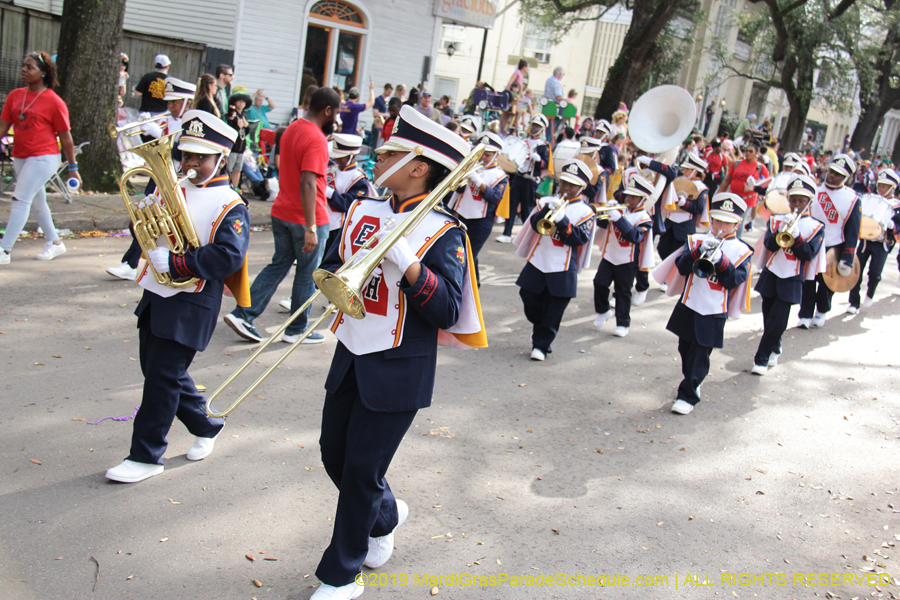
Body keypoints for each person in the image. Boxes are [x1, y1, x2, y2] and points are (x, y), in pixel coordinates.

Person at [310, 104, 485, 600]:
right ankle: (386, 514)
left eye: (389, 151)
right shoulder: (363, 209)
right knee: (334, 454)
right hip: (351, 351)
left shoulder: (444, 230)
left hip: (399, 365)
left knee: (362, 470)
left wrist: (407, 261)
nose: (377, 155)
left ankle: (342, 573)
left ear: (417, 167)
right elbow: (330, 267)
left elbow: (449, 309)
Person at [104, 110, 250, 483]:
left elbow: (229, 255)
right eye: (186, 154)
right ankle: (205, 425)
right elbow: (147, 233)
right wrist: (142, 219)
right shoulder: (172, 186)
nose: (190, 163)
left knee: (162, 378)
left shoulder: (230, 203)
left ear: (219, 157)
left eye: (200, 157)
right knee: (156, 370)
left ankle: (146, 455)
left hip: (192, 299)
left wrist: (178, 261)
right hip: (156, 291)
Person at [224, 87, 339, 345]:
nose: (336, 120)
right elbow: (308, 183)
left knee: (278, 265)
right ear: (327, 110)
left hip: (282, 211)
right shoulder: (317, 139)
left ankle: (244, 313)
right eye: (336, 114)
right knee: (307, 273)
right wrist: (311, 226)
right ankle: (296, 328)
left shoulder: (291, 129)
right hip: (307, 217)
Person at [652, 193, 753, 415]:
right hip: (689, 303)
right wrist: (697, 252)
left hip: (713, 310)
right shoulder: (696, 240)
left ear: (737, 223)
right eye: (717, 220)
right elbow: (680, 266)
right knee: (684, 348)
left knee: (700, 353)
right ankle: (693, 379)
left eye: (727, 222)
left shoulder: (742, 251)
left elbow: (735, 280)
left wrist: (723, 262)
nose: (720, 226)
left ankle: (688, 392)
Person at [107, 77, 197, 281]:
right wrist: (145, 133)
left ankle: (133, 264)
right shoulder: (165, 120)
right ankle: (136, 262)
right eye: (169, 102)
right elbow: (152, 148)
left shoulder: (192, 126)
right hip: (157, 176)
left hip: (178, 179)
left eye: (175, 102)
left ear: (187, 102)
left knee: (153, 224)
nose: (170, 106)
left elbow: (184, 156)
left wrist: (160, 135)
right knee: (139, 221)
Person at [0, 52, 81, 265]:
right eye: (23, 66)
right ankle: (55, 242)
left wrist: (73, 167)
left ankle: (4, 250)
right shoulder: (15, 96)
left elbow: (66, 137)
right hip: (21, 156)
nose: (24, 70)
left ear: (43, 73)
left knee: (20, 199)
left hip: (44, 157)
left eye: (30, 67)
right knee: (37, 202)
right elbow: (3, 126)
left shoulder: (55, 102)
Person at [514, 159, 595, 361]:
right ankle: (542, 330)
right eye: (564, 183)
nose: (566, 188)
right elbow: (533, 224)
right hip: (539, 259)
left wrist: (562, 221)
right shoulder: (545, 201)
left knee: (554, 308)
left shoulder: (586, 212)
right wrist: (546, 210)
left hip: (563, 266)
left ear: (582, 187)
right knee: (528, 296)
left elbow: (579, 238)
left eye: (572, 185)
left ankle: (540, 345)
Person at [751, 174, 825, 375]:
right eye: (793, 200)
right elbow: (768, 245)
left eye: (802, 201)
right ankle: (775, 344)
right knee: (768, 316)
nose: (797, 204)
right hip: (772, 273)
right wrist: (781, 230)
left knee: (779, 319)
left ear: (809, 202)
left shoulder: (816, 227)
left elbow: (809, 254)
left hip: (792, 277)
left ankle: (761, 359)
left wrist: (797, 236)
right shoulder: (776, 220)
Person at [797, 153, 861, 328]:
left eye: (838, 174)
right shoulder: (813, 190)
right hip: (812, 243)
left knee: (828, 283)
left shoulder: (852, 198)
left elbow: (853, 230)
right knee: (808, 281)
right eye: (831, 171)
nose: (832, 176)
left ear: (846, 177)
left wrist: (848, 257)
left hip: (834, 246)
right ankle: (805, 314)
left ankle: (822, 310)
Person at [592, 175, 654, 338]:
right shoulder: (620, 210)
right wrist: (607, 211)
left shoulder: (645, 219)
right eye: (628, 196)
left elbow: (635, 237)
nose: (629, 199)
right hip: (610, 255)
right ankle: (603, 310)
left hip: (627, 260)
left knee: (623, 292)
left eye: (634, 197)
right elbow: (602, 225)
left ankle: (623, 323)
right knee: (599, 283)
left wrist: (619, 219)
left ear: (642, 200)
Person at [447, 131, 508, 284]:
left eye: (487, 155)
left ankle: (469, 286)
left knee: (469, 254)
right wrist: (462, 177)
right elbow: (457, 190)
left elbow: (494, 197)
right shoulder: (471, 167)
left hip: (481, 220)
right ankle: (472, 285)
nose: (483, 158)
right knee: (460, 253)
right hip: (461, 214)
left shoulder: (500, 176)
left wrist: (479, 182)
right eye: (481, 153)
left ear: (496, 155)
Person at [653, 153, 710, 297]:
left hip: (685, 225)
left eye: (687, 169)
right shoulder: (679, 182)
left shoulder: (701, 187)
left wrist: (685, 204)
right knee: (662, 248)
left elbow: (699, 208)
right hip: (671, 222)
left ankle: (670, 281)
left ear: (695, 171)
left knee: (677, 254)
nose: (684, 171)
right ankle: (669, 277)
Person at [847, 169, 899, 313]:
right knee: (856, 271)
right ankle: (853, 302)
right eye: (880, 185)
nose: (880, 188)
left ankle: (870, 293)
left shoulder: (896, 205)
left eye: (884, 185)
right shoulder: (871, 199)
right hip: (865, 241)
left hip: (882, 243)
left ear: (892, 187)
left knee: (875, 273)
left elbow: (898, 226)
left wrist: (892, 225)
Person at [496, 114, 550, 243]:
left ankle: (527, 236)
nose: (534, 128)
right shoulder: (523, 141)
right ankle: (507, 233)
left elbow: (545, 164)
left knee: (527, 209)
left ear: (542, 129)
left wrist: (538, 160)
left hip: (531, 180)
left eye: (538, 126)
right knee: (512, 205)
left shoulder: (543, 145)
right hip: (518, 177)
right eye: (533, 125)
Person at [323, 133, 376, 255]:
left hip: (338, 227)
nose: (337, 159)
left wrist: (329, 193)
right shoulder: (332, 170)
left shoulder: (358, 178)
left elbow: (350, 204)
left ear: (351, 156)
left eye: (341, 157)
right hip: (324, 221)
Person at [718, 139, 769, 233]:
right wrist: (718, 194)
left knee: (740, 221)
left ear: (756, 153)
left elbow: (767, 182)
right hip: (733, 196)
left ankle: (737, 240)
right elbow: (727, 180)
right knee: (729, 219)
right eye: (746, 151)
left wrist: (758, 185)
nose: (748, 153)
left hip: (748, 198)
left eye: (751, 151)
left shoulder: (760, 167)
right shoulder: (737, 163)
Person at [225, 86, 252, 188]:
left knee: (238, 170)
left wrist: (246, 126)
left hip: (241, 148)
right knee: (229, 168)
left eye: (243, 102)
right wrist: (238, 126)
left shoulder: (244, 116)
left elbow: (246, 132)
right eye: (239, 101)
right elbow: (230, 129)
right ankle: (226, 186)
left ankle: (235, 188)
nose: (241, 103)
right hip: (233, 147)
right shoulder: (232, 114)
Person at [543, 67, 565, 142]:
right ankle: (549, 145)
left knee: (546, 127)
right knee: (552, 129)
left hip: (547, 106)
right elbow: (558, 97)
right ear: (560, 74)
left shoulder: (548, 80)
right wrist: (566, 101)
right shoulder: (556, 83)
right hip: (555, 108)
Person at [371, 82, 393, 149]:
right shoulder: (378, 100)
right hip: (378, 124)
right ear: (385, 90)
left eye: (390, 92)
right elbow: (375, 113)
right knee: (374, 143)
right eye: (388, 92)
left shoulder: (388, 101)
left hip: (384, 125)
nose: (389, 94)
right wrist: (387, 115)